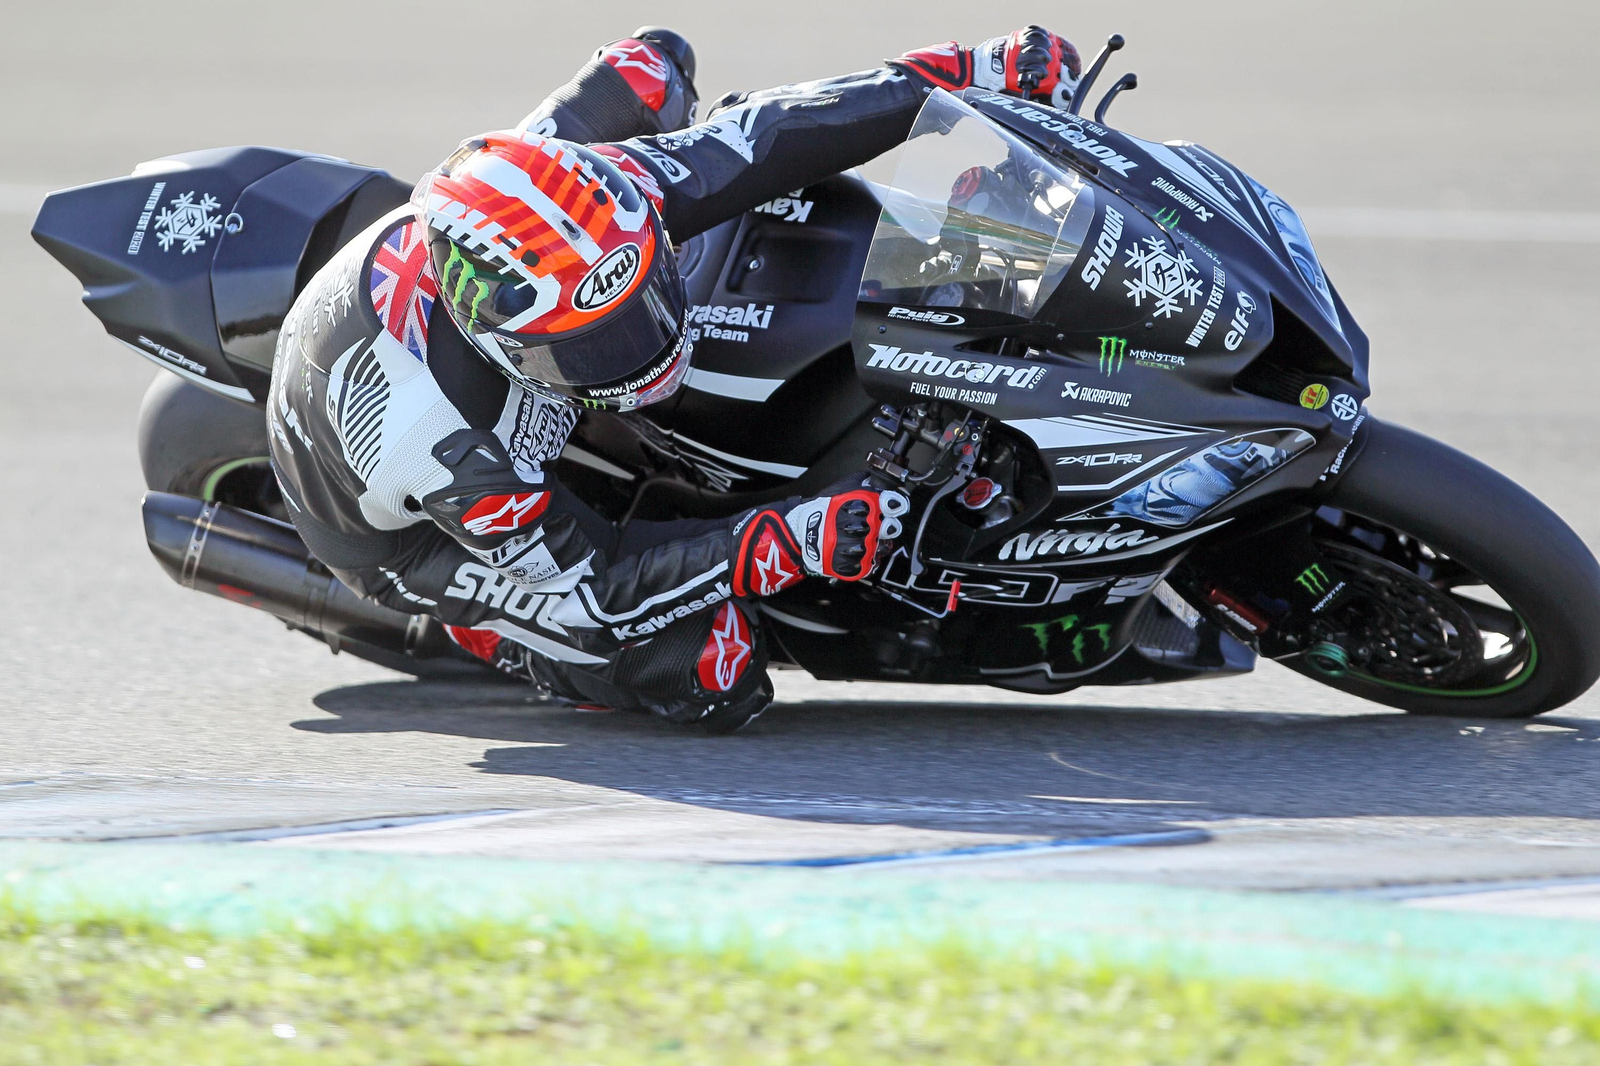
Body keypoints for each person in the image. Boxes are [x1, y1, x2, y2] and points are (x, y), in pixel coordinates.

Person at [266, 25, 1082, 732]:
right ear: (501, 340)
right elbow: (601, 577)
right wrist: (777, 539)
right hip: (400, 533)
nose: (643, 351)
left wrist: (970, 72)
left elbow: (784, 131)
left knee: (652, 69)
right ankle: (499, 641)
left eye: (644, 302)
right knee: (707, 670)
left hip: (483, 278)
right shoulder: (443, 438)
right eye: (591, 347)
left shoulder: (618, 193)